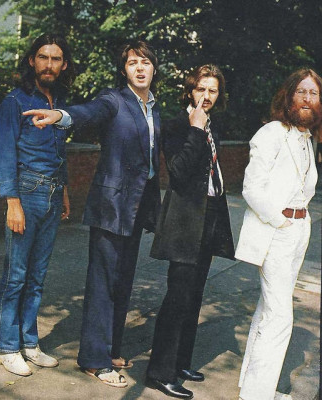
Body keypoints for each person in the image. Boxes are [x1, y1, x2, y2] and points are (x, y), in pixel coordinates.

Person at [24, 40, 161, 387]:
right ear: (124, 70)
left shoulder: (154, 108)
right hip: (111, 207)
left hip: (135, 209)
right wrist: (61, 116)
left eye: (145, 62)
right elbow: (89, 111)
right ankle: (95, 360)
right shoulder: (114, 100)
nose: (140, 68)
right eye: (132, 63)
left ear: (154, 68)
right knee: (103, 284)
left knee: (123, 281)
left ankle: (111, 348)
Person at [145, 65, 235, 399]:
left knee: (195, 296)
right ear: (190, 90)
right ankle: (160, 371)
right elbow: (178, 172)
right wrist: (196, 131)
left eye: (212, 91)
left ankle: (180, 363)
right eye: (201, 89)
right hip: (185, 219)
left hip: (210, 216)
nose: (207, 96)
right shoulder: (177, 125)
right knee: (177, 297)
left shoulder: (215, 126)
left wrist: (205, 129)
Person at [235, 68, 322, 400]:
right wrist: (282, 221)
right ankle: (257, 396)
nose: (307, 99)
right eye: (301, 91)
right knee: (280, 315)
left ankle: (254, 387)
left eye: (313, 93)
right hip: (276, 231)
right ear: (289, 95)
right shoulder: (271, 132)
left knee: (267, 310)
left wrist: (299, 225)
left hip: (299, 231)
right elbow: (252, 188)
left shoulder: (306, 137)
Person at [0, 33, 75, 376]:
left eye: (56, 59)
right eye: (43, 57)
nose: (49, 64)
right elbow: (3, 152)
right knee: (16, 275)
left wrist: (66, 190)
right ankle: (6, 346)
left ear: (64, 65)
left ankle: (29, 342)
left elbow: (58, 152)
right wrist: (12, 202)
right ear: (32, 61)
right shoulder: (15, 101)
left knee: (38, 277)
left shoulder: (58, 102)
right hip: (26, 193)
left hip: (54, 194)